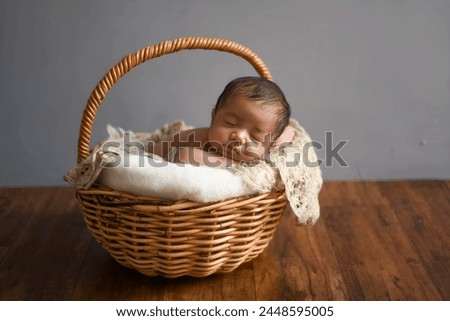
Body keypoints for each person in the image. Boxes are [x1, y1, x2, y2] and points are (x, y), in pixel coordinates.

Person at [151, 76, 295, 167]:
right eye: (230, 122)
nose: (239, 136)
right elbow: (185, 156)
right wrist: (237, 165)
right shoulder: (198, 140)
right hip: (157, 152)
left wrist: (273, 145)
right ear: (214, 116)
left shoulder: (269, 147)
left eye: (255, 137)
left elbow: (290, 131)